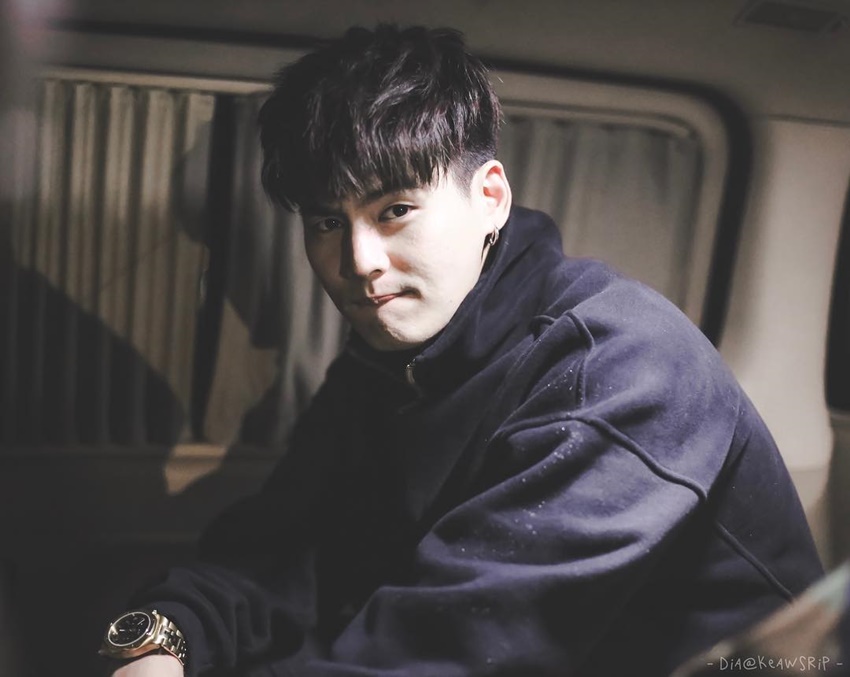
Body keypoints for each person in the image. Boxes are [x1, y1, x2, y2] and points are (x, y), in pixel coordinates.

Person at [99, 24, 824, 677]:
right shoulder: (386, 356)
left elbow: (451, 649)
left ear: (490, 198)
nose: (359, 261)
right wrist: (166, 638)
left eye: (395, 210)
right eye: (326, 221)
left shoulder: (618, 367)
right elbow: (285, 548)